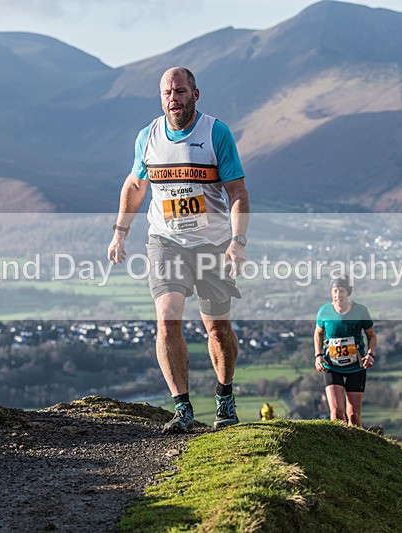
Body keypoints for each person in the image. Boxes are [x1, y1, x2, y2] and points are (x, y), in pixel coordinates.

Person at [107, 67, 249, 434]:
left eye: (180, 92)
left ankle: (224, 396)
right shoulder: (148, 136)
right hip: (165, 242)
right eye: (168, 93)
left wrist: (238, 240)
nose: (174, 99)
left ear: (195, 94)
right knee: (167, 321)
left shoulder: (216, 133)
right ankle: (183, 408)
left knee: (217, 329)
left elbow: (237, 192)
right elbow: (135, 186)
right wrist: (119, 233)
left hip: (213, 244)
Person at [314, 276, 376, 427]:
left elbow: (371, 335)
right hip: (332, 366)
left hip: (356, 366)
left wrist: (370, 354)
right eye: (335, 291)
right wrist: (318, 355)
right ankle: (338, 449)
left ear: (348, 293)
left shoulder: (361, 311)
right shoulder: (324, 311)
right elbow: (318, 333)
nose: (337, 295)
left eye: (341, 291)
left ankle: (357, 448)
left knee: (353, 415)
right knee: (336, 412)